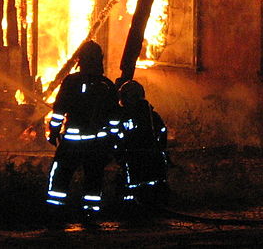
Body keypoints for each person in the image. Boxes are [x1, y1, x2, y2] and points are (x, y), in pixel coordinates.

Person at [45, 39, 116, 225]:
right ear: (100, 59)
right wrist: (113, 141)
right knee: (94, 180)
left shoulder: (71, 82)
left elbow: (59, 111)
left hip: (72, 143)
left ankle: (55, 213)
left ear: (80, 59)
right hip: (97, 145)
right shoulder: (107, 85)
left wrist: (53, 133)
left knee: (60, 177)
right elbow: (114, 118)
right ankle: (91, 216)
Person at [111, 79, 170, 209]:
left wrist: (117, 152)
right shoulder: (151, 114)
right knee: (155, 182)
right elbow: (162, 132)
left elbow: (116, 136)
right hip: (153, 156)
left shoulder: (124, 116)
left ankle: (132, 207)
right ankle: (153, 205)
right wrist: (161, 150)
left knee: (132, 184)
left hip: (133, 157)